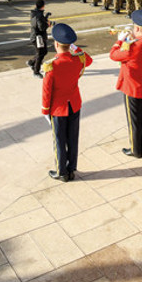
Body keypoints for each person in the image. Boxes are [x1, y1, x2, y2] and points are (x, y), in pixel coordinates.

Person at [41, 23, 93, 182]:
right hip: (74, 104)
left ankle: (61, 171)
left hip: (58, 109)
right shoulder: (78, 60)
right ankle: (71, 169)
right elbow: (88, 60)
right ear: (68, 45)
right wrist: (76, 49)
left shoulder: (52, 66)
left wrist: (45, 110)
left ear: (56, 44)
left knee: (59, 140)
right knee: (72, 138)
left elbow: (47, 91)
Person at [109, 10, 142, 158]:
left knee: (134, 121)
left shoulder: (131, 47)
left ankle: (136, 149)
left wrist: (120, 41)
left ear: (137, 28)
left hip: (133, 87)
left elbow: (113, 55)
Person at [28, 0, 51, 78]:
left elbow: (38, 22)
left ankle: (32, 63)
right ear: (43, 6)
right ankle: (36, 71)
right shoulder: (39, 15)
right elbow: (41, 27)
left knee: (43, 51)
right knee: (41, 53)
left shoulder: (34, 13)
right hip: (38, 38)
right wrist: (48, 24)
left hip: (35, 36)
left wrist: (46, 17)